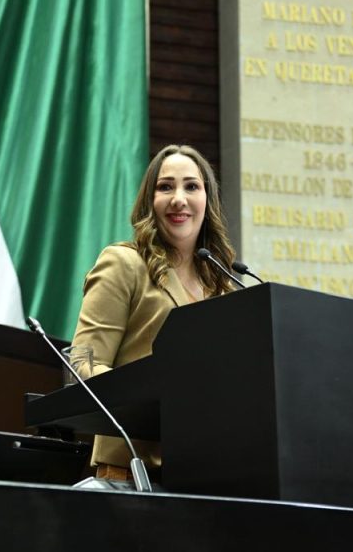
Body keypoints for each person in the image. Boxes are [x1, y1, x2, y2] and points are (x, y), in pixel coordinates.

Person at [69, 144, 236, 480]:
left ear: (208, 201)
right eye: (165, 187)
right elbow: (83, 361)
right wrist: (150, 400)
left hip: (207, 474)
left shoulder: (225, 287)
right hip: (130, 471)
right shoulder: (124, 263)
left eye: (191, 186)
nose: (179, 198)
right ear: (150, 200)